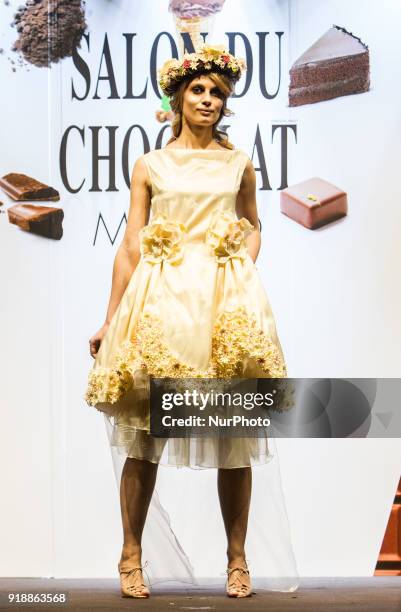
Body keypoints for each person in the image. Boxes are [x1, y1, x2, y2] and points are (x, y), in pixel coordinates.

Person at [84, 45, 294, 599]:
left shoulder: (237, 162)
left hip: (222, 307)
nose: (208, 99)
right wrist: (110, 320)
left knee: (235, 433)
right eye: (198, 90)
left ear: (226, 104)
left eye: (218, 93)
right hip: (161, 303)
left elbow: (253, 223)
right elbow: (131, 243)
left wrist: (240, 268)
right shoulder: (150, 164)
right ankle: (131, 555)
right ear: (177, 97)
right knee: (144, 432)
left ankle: (237, 560)